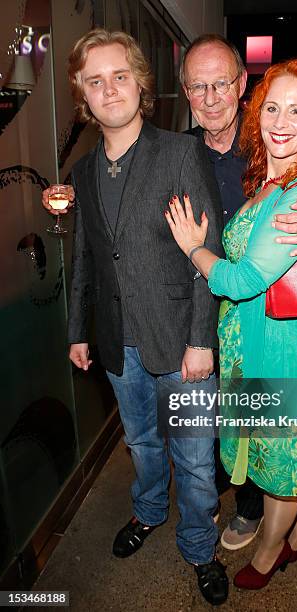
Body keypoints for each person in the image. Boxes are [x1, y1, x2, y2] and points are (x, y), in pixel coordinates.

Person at [165, 58, 297, 589]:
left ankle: (271, 553)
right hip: (254, 345)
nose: (281, 119)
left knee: (278, 465)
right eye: (274, 106)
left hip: (280, 350)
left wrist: (195, 250)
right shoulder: (266, 182)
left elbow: (244, 279)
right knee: (281, 450)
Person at [55, 29, 228, 606]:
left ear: (141, 83)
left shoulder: (181, 153)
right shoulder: (81, 172)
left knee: (197, 461)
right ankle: (149, 512)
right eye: (95, 80)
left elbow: (210, 251)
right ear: (82, 92)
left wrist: (202, 340)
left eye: (119, 76)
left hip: (181, 344)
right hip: (117, 344)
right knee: (142, 443)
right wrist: (79, 331)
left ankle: (200, 547)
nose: (109, 90)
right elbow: (85, 258)